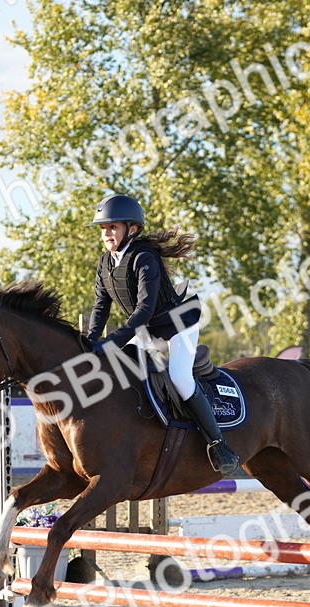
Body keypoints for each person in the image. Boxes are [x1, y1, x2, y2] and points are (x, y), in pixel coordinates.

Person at [85, 193, 239, 477]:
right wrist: (90, 341)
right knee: (119, 371)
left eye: (112, 227)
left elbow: (144, 309)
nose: (106, 233)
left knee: (179, 377)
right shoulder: (105, 262)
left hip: (177, 327)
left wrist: (113, 341)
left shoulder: (144, 257)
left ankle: (219, 444)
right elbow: (100, 306)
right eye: (103, 228)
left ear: (132, 229)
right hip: (145, 331)